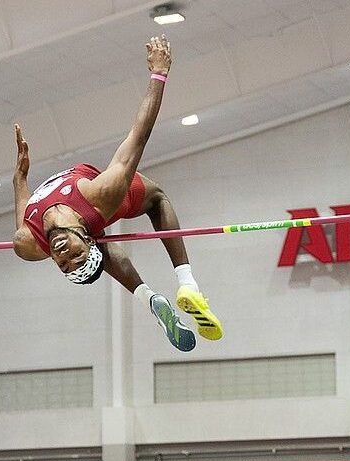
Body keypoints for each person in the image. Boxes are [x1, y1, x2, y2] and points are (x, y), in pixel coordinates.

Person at [11, 35, 221, 352]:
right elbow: (139, 135)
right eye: (75, 254)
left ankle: (149, 298)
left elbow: (25, 215)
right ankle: (187, 282)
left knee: (100, 254)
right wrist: (159, 74)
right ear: (87, 240)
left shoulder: (29, 244)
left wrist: (20, 178)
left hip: (84, 222)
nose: (63, 254)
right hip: (100, 205)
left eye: (63, 263)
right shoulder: (102, 193)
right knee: (158, 197)